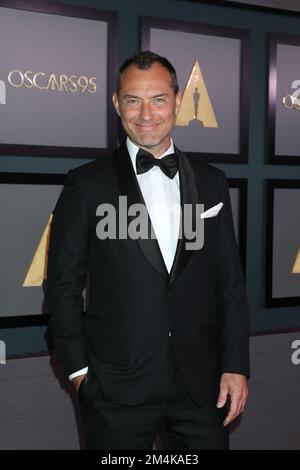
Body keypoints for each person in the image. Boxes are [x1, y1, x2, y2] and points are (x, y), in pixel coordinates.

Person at [47, 51, 249, 450]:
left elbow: (229, 284)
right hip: (115, 387)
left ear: (177, 101)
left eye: (158, 99)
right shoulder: (87, 185)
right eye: (133, 100)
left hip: (202, 387)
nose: (146, 114)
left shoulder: (212, 183)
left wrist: (235, 365)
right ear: (116, 103)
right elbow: (62, 286)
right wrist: (79, 372)